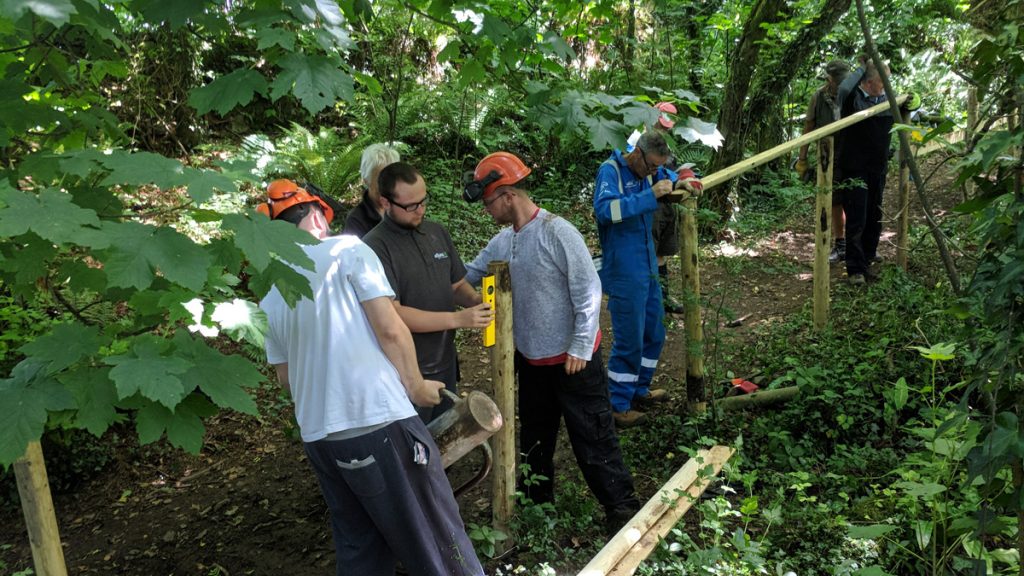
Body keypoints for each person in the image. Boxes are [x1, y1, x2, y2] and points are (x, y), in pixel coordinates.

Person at [257, 178, 485, 576]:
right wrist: (415, 385)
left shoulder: (271, 292)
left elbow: (286, 380)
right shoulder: (346, 250)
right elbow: (391, 328)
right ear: (316, 218)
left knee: (361, 546)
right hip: (377, 424)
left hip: (320, 440)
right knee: (436, 539)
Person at [462, 151, 641, 536]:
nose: (487, 211)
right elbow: (468, 275)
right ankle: (536, 508)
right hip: (532, 362)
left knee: (593, 437)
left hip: (574, 362)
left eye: (489, 202)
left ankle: (622, 509)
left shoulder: (558, 232)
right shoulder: (502, 242)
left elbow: (588, 289)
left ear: (508, 195)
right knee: (535, 441)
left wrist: (579, 345)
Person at [362, 162, 492, 422]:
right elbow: (393, 314)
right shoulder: (373, 248)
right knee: (416, 448)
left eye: (423, 201)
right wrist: (458, 319)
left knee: (448, 436)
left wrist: (477, 301)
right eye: (411, 206)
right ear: (385, 203)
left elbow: (454, 286)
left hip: (444, 360)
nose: (420, 210)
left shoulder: (436, 232)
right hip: (405, 371)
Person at [594, 131, 701, 427]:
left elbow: (670, 174)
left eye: (658, 168)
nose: (655, 172)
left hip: (649, 264)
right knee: (630, 339)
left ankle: (638, 389)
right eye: (651, 166)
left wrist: (683, 180)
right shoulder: (611, 171)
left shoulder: (650, 171)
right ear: (637, 154)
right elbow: (604, 211)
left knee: (655, 331)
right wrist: (648, 196)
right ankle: (617, 405)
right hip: (624, 268)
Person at [835, 58, 894, 285]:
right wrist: (863, 65)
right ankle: (855, 269)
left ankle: (868, 257)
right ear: (869, 82)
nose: (887, 85)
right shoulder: (853, 99)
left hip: (877, 167)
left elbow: (911, 106)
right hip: (855, 167)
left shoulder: (886, 98)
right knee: (857, 217)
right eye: (882, 81)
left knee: (874, 214)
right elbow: (845, 87)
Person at [796, 60, 851, 264]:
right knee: (834, 200)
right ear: (830, 80)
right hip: (828, 156)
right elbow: (809, 126)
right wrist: (802, 158)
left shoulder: (853, 94)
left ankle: (858, 244)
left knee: (854, 197)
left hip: (851, 153)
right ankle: (841, 244)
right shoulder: (818, 97)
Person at [649, 101, 687, 314]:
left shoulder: (666, 144)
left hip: (666, 204)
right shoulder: (638, 142)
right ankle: (653, 301)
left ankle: (663, 297)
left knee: (662, 252)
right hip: (649, 205)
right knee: (650, 252)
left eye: (667, 127)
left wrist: (681, 177)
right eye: (661, 125)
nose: (663, 130)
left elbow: (669, 171)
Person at [343, 143, 400, 237]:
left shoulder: (401, 209)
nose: (388, 185)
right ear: (366, 181)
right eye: (381, 179)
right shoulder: (356, 220)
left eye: (392, 178)